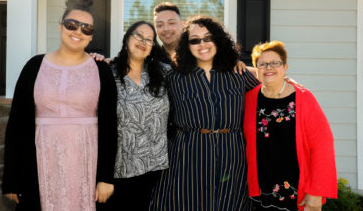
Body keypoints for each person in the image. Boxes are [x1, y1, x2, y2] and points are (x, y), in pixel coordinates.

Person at [2, 0, 118, 211]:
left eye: (87, 28)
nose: (78, 32)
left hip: (86, 161)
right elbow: (16, 124)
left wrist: (105, 178)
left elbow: (110, 127)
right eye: (72, 24)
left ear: (91, 36)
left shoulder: (101, 69)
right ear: (60, 27)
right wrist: (11, 178)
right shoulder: (34, 66)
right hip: (39, 159)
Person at [150, 15, 260, 211]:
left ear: (217, 40)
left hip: (232, 156)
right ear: (187, 45)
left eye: (208, 38)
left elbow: (270, 95)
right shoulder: (174, 77)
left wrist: (293, 87)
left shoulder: (238, 74)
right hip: (187, 156)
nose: (202, 44)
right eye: (195, 40)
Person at [243, 41, 337, 211]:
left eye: (275, 63)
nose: (268, 67)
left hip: (296, 193)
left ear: (285, 67)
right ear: (256, 70)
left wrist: (316, 192)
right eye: (262, 64)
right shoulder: (249, 99)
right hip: (259, 194)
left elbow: (323, 146)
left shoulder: (303, 98)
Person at [96, 21, 170, 211]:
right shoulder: (106, 72)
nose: (143, 41)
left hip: (156, 169)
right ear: (127, 38)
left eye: (149, 39)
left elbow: (195, 69)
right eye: (138, 35)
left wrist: (242, 64)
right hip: (119, 169)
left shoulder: (163, 73)